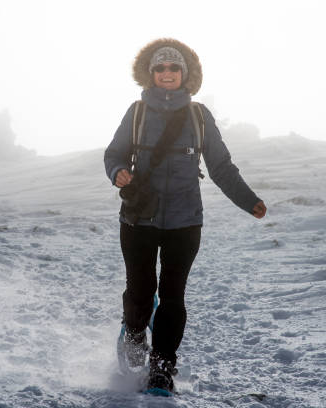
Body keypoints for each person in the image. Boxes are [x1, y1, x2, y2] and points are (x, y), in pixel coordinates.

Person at [104, 38, 267, 393]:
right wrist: (117, 171)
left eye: (174, 67)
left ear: (185, 73)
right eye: (160, 67)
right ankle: (133, 332)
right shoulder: (137, 112)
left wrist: (248, 200)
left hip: (185, 221)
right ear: (150, 73)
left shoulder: (199, 116)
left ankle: (162, 368)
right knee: (141, 291)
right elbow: (114, 153)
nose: (166, 73)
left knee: (173, 295)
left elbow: (221, 167)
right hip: (138, 219)